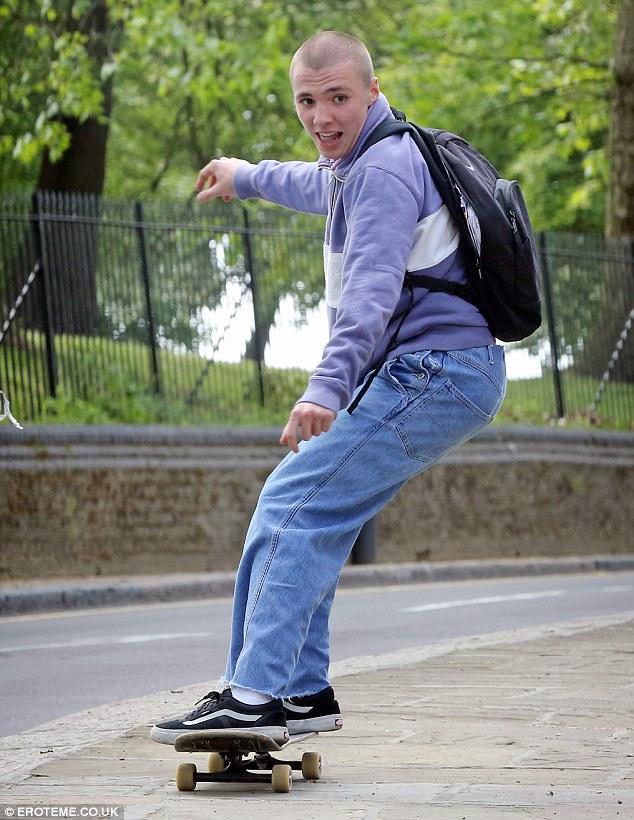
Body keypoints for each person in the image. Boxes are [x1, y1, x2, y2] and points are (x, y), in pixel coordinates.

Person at [151, 30, 506, 745]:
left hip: (432, 370)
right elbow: (315, 184)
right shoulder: (367, 161)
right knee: (317, 513)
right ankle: (302, 692)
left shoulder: (382, 173)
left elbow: (369, 295)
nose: (320, 117)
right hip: (446, 370)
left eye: (337, 98)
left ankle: (253, 697)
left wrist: (325, 390)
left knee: (293, 504)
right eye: (306, 102)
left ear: (373, 92)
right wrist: (245, 175)